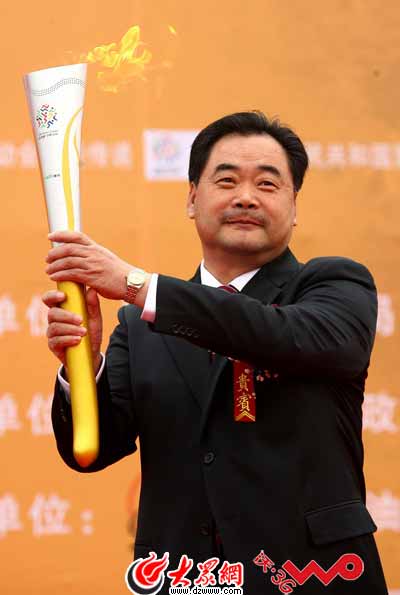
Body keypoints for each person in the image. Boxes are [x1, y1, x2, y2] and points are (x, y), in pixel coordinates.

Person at [43, 111, 388, 594]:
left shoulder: (333, 287)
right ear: (192, 199)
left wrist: (138, 286)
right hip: (186, 578)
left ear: (294, 206)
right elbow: (91, 450)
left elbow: (278, 334)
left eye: (267, 184)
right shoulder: (141, 326)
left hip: (310, 577)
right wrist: (84, 365)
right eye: (226, 180)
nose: (245, 197)